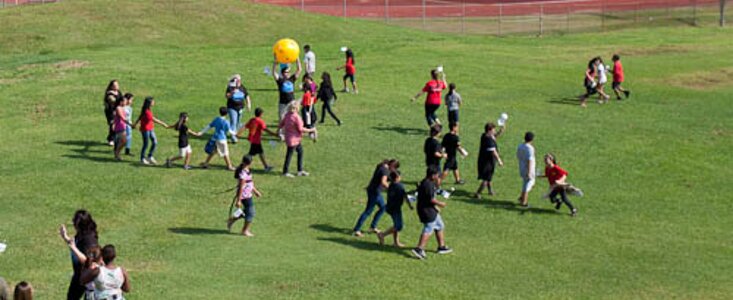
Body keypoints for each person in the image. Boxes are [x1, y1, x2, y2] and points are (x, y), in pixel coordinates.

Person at [411, 166, 452, 260]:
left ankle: (441, 247)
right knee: (428, 228)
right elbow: (431, 199)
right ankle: (419, 248)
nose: (438, 176)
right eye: (437, 175)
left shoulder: (427, 182)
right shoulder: (428, 185)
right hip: (426, 210)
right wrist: (440, 204)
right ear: (432, 175)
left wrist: (435, 207)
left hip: (429, 209)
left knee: (440, 225)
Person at [58, 210, 98, 300]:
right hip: (79, 273)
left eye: (75, 222)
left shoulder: (89, 240)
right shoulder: (81, 234)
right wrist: (65, 237)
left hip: (86, 276)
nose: (73, 223)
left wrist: (73, 248)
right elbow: (74, 244)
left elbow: (88, 261)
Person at [226, 155, 263, 236]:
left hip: (248, 194)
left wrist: (255, 191)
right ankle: (245, 230)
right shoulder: (243, 173)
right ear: (250, 162)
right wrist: (238, 200)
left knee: (247, 211)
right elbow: (241, 187)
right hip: (244, 196)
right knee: (251, 213)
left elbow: (249, 182)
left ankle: (232, 220)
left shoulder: (247, 170)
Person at [353, 160, 391, 236]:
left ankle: (373, 227)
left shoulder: (380, 167)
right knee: (368, 211)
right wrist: (392, 188)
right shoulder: (385, 170)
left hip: (374, 191)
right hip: (375, 193)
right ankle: (357, 229)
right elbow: (383, 182)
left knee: (383, 208)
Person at [279, 102, 316, 177]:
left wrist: (278, 131)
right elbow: (300, 129)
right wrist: (311, 130)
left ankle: (300, 170)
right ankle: (286, 172)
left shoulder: (287, 115)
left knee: (300, 152)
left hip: (289, 139)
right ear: (297, 108)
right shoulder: (296, 117)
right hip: (294, 140)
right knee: (289, 155)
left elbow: (281, 124)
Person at [377, 171, 413, 247]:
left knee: (395, 225)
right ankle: (382, 234)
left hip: (390, 207)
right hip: (395, 208)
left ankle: (396, 242)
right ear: (397, 178)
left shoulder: (391, 185)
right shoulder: (400, 186)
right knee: (399, 226)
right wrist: (410, 205)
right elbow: (405, 196)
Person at [237, 108, 279, 172]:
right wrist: (274, 134)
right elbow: (266, 129)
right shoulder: (260, 121)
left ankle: (266, 166)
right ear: (261, 114)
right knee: (251, 154)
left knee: (258, 153)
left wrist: (238, 133)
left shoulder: (252, 120)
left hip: (253, 139)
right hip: (256, 141)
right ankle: (242, 166)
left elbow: (245, 126)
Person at [131, 96, 169, 165]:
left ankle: (150, 156)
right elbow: (153, 119)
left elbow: (140, 117)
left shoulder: (147, 109)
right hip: (145, 129)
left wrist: (135, 124)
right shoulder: (146, 111)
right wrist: (163, 124)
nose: (154, 102)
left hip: (150, 128)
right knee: (146, 144)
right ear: (149, 103)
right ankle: (142, 158)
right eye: (152, 101)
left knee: (155, 142)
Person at [474, 123, 505, 199]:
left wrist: (501, 130)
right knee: (486, 179)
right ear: (489, 130)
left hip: (486, 160)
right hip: (486, 162)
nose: (494, 131)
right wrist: (499, 160)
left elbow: (495, 136)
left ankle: (490, 190)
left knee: (489, 177)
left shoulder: (485, 135)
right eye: (493, 129)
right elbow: (493, 151)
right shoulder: (488, 140)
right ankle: (478, 193)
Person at [272, 57, 302, 124]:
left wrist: (297, 59)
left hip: (291, 102)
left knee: (294, 117)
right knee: (282, 118)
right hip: (282, 103)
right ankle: (281, 133)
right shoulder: (280, 80)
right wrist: (275, 63)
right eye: (286, 72)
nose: (288, 73)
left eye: (289, 72)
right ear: (283, 73)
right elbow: (274, 72)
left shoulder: (292, 79)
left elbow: (299, 70)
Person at [225, 74, 251, 143]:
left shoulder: (242, 87)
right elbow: (226, 96)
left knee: (238, 122)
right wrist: (232, 93)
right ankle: (233, 137)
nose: (238, 81)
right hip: (232, 107)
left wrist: (248, 104)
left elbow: (247, 96)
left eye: (239, 80)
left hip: (240, 108)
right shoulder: (231, 87)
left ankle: (233, 132)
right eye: (237, 80)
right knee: (233, 121)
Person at [516, 131, 536, 207]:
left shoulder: (520, 146)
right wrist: (529, 171)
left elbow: (517, 155)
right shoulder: (530, 148)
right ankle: (524, 202)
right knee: (529, 184)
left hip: (522, 167)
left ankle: (521, 197)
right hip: (528, 170)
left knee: (525, 183)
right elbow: (530, 160)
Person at [112, 96, 133, 161]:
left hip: (122, 126)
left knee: (122, 141)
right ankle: (117, 153)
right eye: (125, 101)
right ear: (121, 102)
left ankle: (117, 154)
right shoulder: (118, 108)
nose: (126, 102)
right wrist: (130, 124)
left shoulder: (122, 108)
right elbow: (122, 118)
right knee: (124, 141)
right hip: (119, 127)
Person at [103, 80, 123, 146]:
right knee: (112, 125)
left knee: (117, 124)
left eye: (117, 84)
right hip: (111, 112)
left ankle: (114, 138)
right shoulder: (109, 93)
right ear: (111, 86)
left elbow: (122, 100)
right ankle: (111, 139)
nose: (117, 86)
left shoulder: (119, 92)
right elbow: (111, 101)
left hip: (118, 110)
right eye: (115, 85)